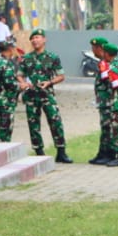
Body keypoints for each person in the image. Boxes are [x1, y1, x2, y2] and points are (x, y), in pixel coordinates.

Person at [19, 29, 72, 162]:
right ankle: (39, 152)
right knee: (33, 124)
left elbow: (61, 76)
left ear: (44, 39)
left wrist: (49, 82)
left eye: (37, 37)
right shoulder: (26, 58)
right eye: (32, 38)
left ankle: (61, 152)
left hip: (47, 95)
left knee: (55, 121)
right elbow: (19, 74)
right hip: (31, 96)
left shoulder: (52, 57)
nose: (35, 40)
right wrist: (23, 83)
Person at [0, 38, 25, 142]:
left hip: (0, 100)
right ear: (10, 48)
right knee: (5, 133)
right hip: (5, 101)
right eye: (14, 48)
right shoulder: (4, 63)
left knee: (2, 128)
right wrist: (22, 86)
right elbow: (9, 83)